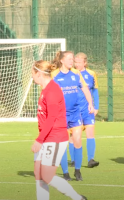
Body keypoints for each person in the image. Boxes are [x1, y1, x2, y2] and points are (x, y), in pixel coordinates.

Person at [31, 60, 87, 200]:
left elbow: (52, 118)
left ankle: (78, 198)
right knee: (39, 174)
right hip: (46, 137)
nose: (31, 76)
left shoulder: (52, 90)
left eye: (32, 73)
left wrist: (39, 140)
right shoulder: (46, 89)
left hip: (54, 138)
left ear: (39, 74)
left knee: (47, 176)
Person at [51, 51, 94, 181]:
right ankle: (65, 173)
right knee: (63, 143)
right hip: (61, 114)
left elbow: (85, 89)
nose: (72, 61)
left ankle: (78, 171)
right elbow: (48, 93)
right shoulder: (54, 75)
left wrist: (90, 103)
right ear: (62, 61)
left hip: (75, 114)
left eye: (73, 59)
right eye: (69, 59)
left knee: (77, 141)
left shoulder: (76, 73)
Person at [73, 52, 100, 168]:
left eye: (79, 62)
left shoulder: (91, 74)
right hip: (74, 109)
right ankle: (74, 159)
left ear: (85, 63)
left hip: (88, 109)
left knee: (90, 133)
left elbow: (95, 91)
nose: (77, 64)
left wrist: (96, 106)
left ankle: (91, 159)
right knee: (73, 135)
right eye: (75, 62)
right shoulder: (71, 73)